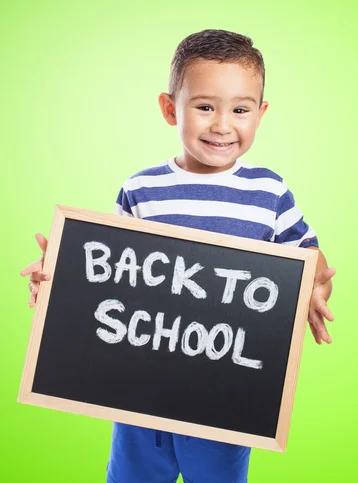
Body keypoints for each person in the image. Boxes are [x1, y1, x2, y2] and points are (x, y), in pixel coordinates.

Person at [20, 29, 335, 482]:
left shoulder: (270, 191)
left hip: (225, 393)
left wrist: (315, 285)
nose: (222, 124)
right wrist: (59, 280)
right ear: (171, 108)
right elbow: (109, 272)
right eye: (205, 106)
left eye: (240, 110)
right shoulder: (142, 189)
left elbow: (307, 257)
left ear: (260, 115)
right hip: (139, 387)